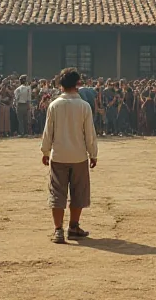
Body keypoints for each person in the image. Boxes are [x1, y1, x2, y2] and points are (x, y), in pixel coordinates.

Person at [41, 68, 98, 244]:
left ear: (60, 85)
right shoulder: (84, 106)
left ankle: (58, 230)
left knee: (57, 192)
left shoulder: (54, 105)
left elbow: (48, 131)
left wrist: (45, 151)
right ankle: (73, 227)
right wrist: (93, 153)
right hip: (79, 155)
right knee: (78, 192)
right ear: (78, 84)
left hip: (58, 155)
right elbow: (89, 133)